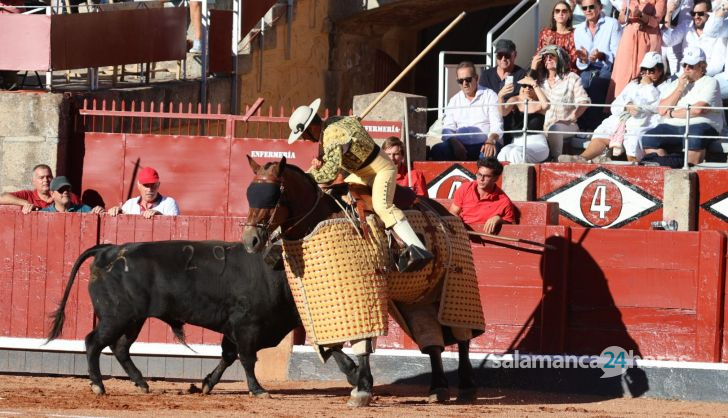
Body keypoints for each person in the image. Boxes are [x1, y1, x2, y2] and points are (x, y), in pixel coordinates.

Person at [288, 98, 433, 272]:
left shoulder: (332, 137)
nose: (304, 138)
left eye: (303, 133)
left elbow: (329, 174)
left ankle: (418, 248)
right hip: (361, 173)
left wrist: (308, 176)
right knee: (336, 194)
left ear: (311, 127)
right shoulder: (335, 121)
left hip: (381, 170)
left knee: (382, 206)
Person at [560, 52, 670, 162]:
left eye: (651, 71)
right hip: (623, 118)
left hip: (645, 121)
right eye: (643, 70)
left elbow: (657, 106)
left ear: (660, 71)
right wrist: (626, 106)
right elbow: (616, 104)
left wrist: (648, 87)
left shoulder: (665, 86)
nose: (646, 74)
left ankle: (634, 166)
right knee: (603, 131)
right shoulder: (633, 84)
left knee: (633, 137)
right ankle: (582, 158)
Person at [642, 46, 723, 165]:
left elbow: (697, 110)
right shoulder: (676, 83)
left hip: (701, 124)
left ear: (702, 66)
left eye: (691, 66)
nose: (686, 69)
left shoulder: (710, 82)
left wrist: (671, 113)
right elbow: (661, 110)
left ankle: (686, 170)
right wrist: (679, 89)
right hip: (673, 125)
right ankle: (666, 167)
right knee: (649, 138)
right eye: (684, 65)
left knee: (695, 137)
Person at [433, 61, 504, 161]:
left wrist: (490, 140)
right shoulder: (454, 100)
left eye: (468, 79)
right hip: (460, 145)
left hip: (485, 144)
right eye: (460, 81)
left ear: (476, 78)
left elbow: (497, 125)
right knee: (438, 150)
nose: (465, 84)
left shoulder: (489, 95)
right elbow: (447, 129)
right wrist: (455, 143)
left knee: (489, 153)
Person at [533, 45, 591, 159]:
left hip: (568, 125)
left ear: (560, 58)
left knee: (555, 129)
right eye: (545, 57)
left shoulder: (572, 78)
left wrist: (571, 118)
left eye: (552, 56)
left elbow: (584, 102)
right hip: (544, 127)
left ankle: (556, 161)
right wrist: (533, 67)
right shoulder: (540, 81)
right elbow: (525, 91)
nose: (548, 59)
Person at [574, 0, 622, 130]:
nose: (588, 10)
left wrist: (601, 55)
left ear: (600, 7)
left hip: (608, 66)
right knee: (581, 85)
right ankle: (583, 126)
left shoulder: (612, 24)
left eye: (591, 7)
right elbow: (581, 63)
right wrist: (583, 59)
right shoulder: (578, 30)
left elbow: (617, 53)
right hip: (589, 67)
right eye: (584, 8)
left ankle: (594, 127)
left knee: (596, 84)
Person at [610, 0, 666, 99]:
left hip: (648, 39)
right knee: (623, 72)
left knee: (643, 72)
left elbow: (655, 22)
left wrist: (640, 15)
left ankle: (642, 105)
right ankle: (620, 105)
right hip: (629, 38)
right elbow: (621, 19)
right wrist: (625, 15)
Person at [448, 157, 516, 235]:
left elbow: (512, 228)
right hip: (462, 235)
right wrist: (458, 223)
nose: (481, 179)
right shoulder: (465, 188)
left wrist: (499, 219)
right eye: (479, 174)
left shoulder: (504, 201)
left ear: (496, 178)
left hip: (488, 241)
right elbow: (453, 212)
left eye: (486, 176)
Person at [662, 0, 728, 78]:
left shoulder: (719, 31)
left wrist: (696, 75)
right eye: (693, 14)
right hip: (683, 74)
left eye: (700, 14)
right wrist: (669, 13)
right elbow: (667, 41)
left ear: (710, 13)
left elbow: (717, 65)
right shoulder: (686, 25)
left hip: (707, 77)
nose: (696, 16)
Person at [480, 39, 528, 144]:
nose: (503, 59)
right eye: (499, 55)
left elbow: (521, 100)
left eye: (507, 55)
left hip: (511, 122)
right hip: (490, 120)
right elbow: (482, 100)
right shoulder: (486, 75)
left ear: (514, 55)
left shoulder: (521, 74)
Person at [496, 75, 551, 163]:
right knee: (504, 152)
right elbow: (503, 112)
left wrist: (534, 84)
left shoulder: (539, 102)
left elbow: (546, 105)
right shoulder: (515, 99)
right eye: (524, 85)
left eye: (530, 86)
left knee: (516, 153)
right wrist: (500, 97)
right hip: (517, 142)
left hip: (537, 143)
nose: (527, 88)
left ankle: (519, 177)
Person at [0, 164, 81, 213]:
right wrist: (25, 203)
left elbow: (84, 213)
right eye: (41, 178)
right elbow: (2, 198)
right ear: (33, 181)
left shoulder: (67, 196)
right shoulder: (27, 195)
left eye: (48, 177)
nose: (45, 180)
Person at [107, 167, 180, 219]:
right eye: (146, 185)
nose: (149, 189)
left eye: (153, 185)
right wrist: (116, 211)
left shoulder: (169, 203)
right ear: (138, 185)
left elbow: (173, 229)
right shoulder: (130, 204)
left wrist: (160, 217)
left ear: (158, 185)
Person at [537, 1, 579, 72]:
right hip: (547, 70)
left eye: (564, 11)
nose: (561, 13)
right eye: (557, 11)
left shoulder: (575, 34)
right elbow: (539, 55)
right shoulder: (546, 33)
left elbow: (573, 59)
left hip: (567, 71)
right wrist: (547, 48)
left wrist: (552, 48)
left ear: (569, 15)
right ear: (554, 15)